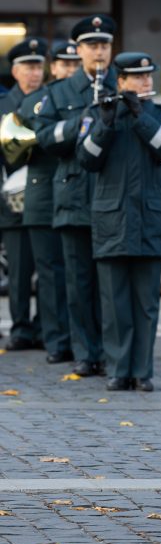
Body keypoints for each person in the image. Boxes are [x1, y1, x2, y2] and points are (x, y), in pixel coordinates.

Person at [74, 52, 161, 391]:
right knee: (114, 301)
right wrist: (106, 124)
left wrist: (140, 117)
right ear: (120, 81)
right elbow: (85, 159)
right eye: (138, 77)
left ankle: (142, 371)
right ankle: (119, 369)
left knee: (146, 303)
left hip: (149, 220)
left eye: (149, 76)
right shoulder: (97, 114)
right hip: (112, 220)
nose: (146, 82)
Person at [35, 14, 117, 377]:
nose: (99, 52)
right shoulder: (61, 92)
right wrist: (80, 123)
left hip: (113, 198)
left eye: (105, 45)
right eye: (92, 46)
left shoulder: (123, 83)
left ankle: (114, 351)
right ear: (79, 50)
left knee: (111, 285)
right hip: (74, 195)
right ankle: (86, 351)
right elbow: (44, 137)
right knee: (78, 282)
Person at [17, 40, 77, 361]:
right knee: (51, 275)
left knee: (76, 274)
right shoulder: (42, 99)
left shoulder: (85, 98)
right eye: (63, 65)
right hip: (43, 196)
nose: (69, 70)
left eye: (74, 64)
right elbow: (28, 120)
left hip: (74, 196)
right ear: (54, 68)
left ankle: (77, 338)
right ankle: (56, 341)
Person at [0, 38, 45, 351]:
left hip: (44, 196)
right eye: (29, 67)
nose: (35, 73)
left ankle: (45, 326)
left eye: (39, 66)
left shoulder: (50, 99)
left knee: (47, 268)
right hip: (10, 199)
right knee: (18, 270)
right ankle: (20, 328)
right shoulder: (3, 105)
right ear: (15, 71)